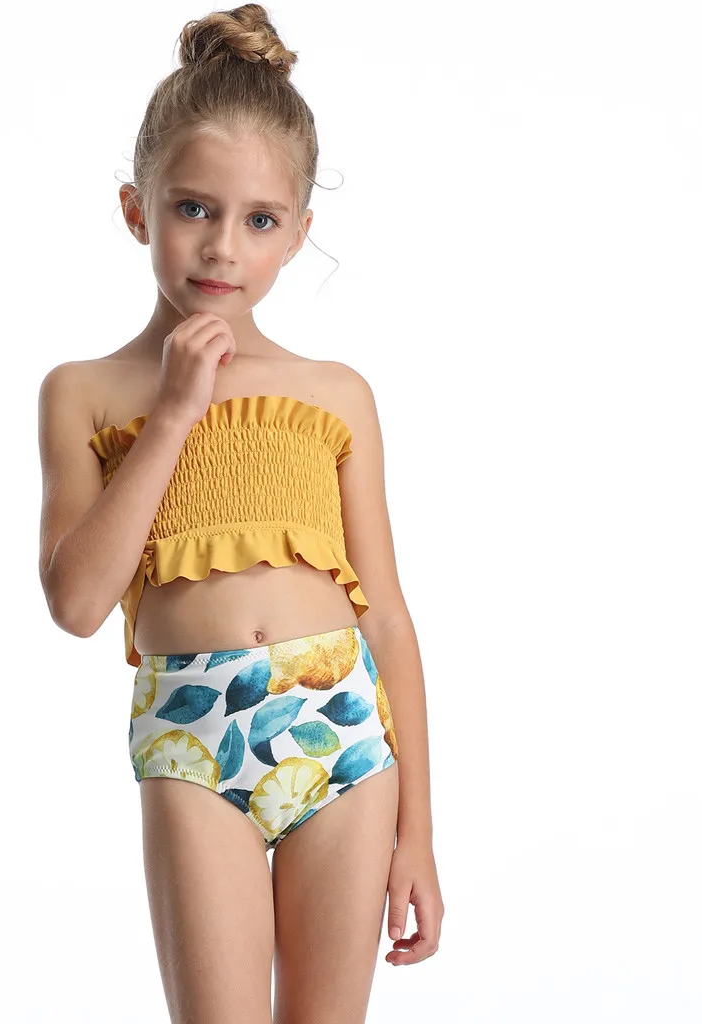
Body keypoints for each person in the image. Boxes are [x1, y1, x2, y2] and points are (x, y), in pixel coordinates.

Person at [37, 5, 443, 1021]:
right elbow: (77, 604)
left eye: (260, 220)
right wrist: (174, 413)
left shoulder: (334, 394)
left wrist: (419, 836)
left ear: (298, 233)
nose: (222, 247)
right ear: (136, 210)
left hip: (340, 730)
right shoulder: (85, 393)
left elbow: (389, 617)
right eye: (193, 208)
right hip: (191, 732)